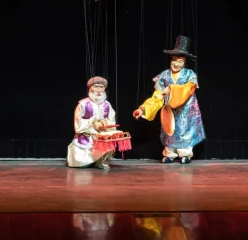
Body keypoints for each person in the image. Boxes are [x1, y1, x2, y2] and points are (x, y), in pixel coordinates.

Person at [133, 36, 205, 164]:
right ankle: (169, 154)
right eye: (174, 60)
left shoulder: (190, 75)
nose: (176, 64)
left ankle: (185, 155)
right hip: (169, 110)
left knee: (185, 131)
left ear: (185, 63)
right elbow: (157, 96)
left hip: (186, 111)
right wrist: (143, 109)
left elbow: (187, 89)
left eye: (180, 61)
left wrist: (171, 89)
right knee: (169, 131)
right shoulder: (164, 75)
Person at [66, 77, 119, 170]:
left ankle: (100, 161)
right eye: (96, 86)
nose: (98, 90)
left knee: (108, 140)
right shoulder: (83, 104)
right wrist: (92, 123)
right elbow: (78, 121)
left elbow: (111, 120)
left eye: (101, 87)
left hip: (102, 132)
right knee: (83, 162)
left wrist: (104, 124)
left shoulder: (107, 105)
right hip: (88, 131)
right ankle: (85, 161)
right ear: (90, 88)